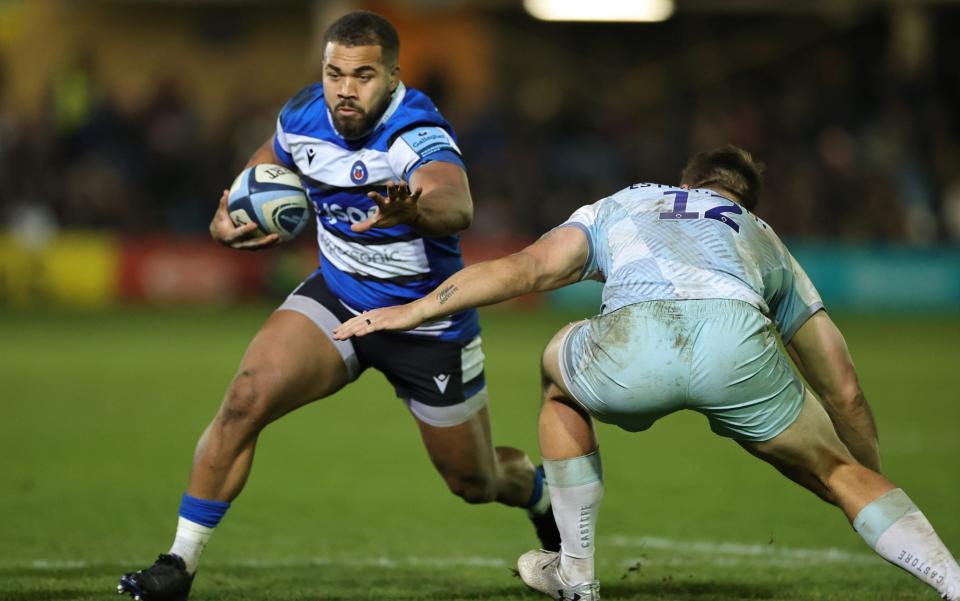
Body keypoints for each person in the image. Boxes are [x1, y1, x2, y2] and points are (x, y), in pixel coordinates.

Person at [334, 145, 960, 601]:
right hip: (735, 343)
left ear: (684, 181)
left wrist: (414, 308)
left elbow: (524, 269)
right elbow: (842, 386)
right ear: (743, 200)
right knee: (838, 473)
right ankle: (950, 580)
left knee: (557, 376)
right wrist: (871, 484)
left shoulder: (623, 205)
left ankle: (575, 575)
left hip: (631, 346)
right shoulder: (761, 235)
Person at [117, 11, 558, 601]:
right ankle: (179, 563)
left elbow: (455, 201)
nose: (346, 89)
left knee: (473, 481)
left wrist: (416, 210)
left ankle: (539, 492)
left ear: (393, 76)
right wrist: (231, 217)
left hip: (426, 322)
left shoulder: (416, 129)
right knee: (245, 397)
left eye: (363, 75)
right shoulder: (302, 115)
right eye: (334, 73)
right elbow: (261, 166)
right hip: (339, 299)